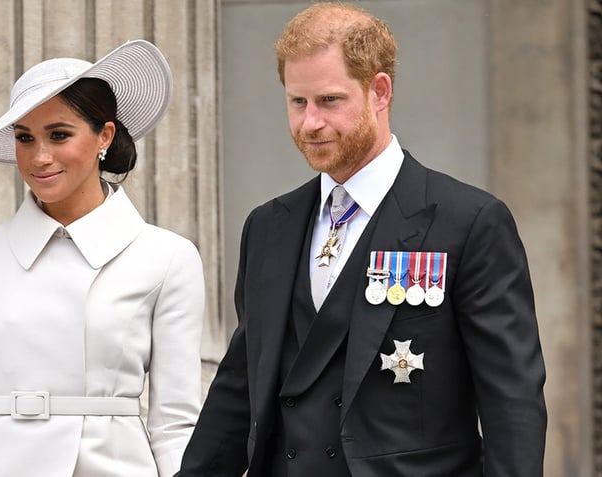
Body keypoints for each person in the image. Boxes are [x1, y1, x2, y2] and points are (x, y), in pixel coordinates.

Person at [177, 3, 546, 477]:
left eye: (329, 100)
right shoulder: (267, 226)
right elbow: (238, 387)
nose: (310, 123)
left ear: (379, 91)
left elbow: (511, 400)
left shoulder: (470, 222)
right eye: (297, 102)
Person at [0, 40, 204, 477]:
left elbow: (175, 424)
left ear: (104, 136)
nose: (40, 157)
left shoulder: (166, 257)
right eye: (24, 138)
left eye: (59, 135)